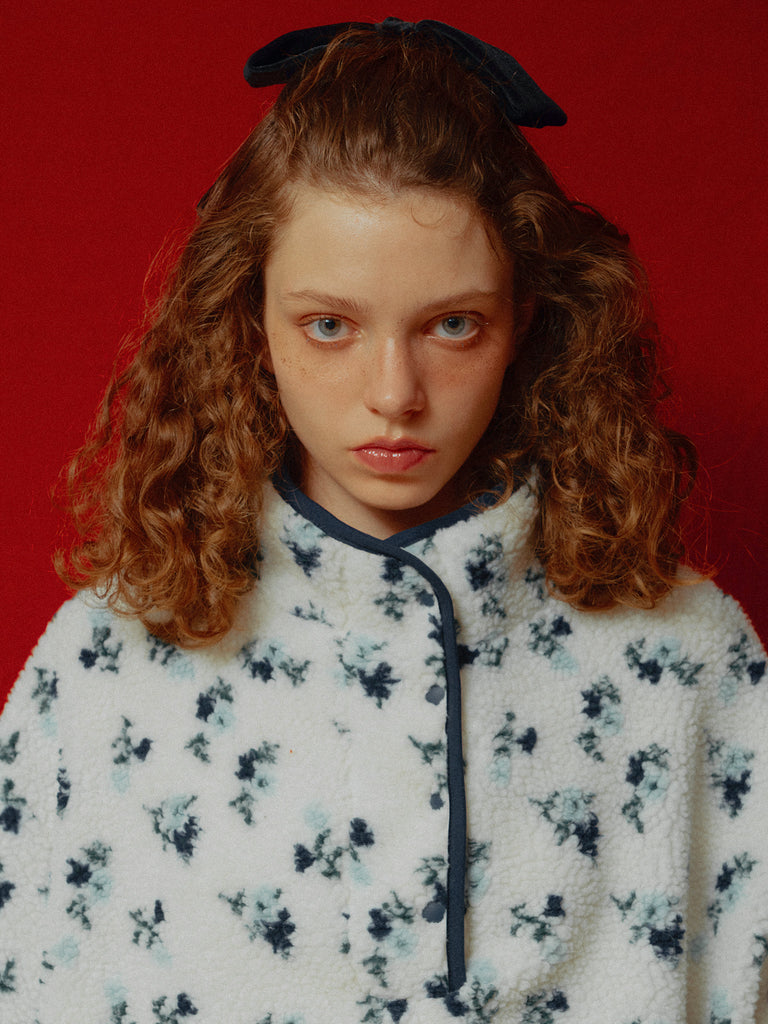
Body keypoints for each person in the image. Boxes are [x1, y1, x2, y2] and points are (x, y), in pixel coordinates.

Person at [1, 17, 766, 1024]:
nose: (395, 394)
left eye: (453, 324)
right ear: (250, 321)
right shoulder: (104, 666)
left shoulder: (691, 662)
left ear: (525, 321)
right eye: (330, 325)